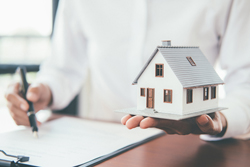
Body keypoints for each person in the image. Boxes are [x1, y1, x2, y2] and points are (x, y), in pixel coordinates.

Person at [5, 0, 250, 140]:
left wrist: (221, 120)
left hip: (190, 148)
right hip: (100, 144)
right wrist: (42, 92)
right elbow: (63, 69)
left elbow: (245, 79)